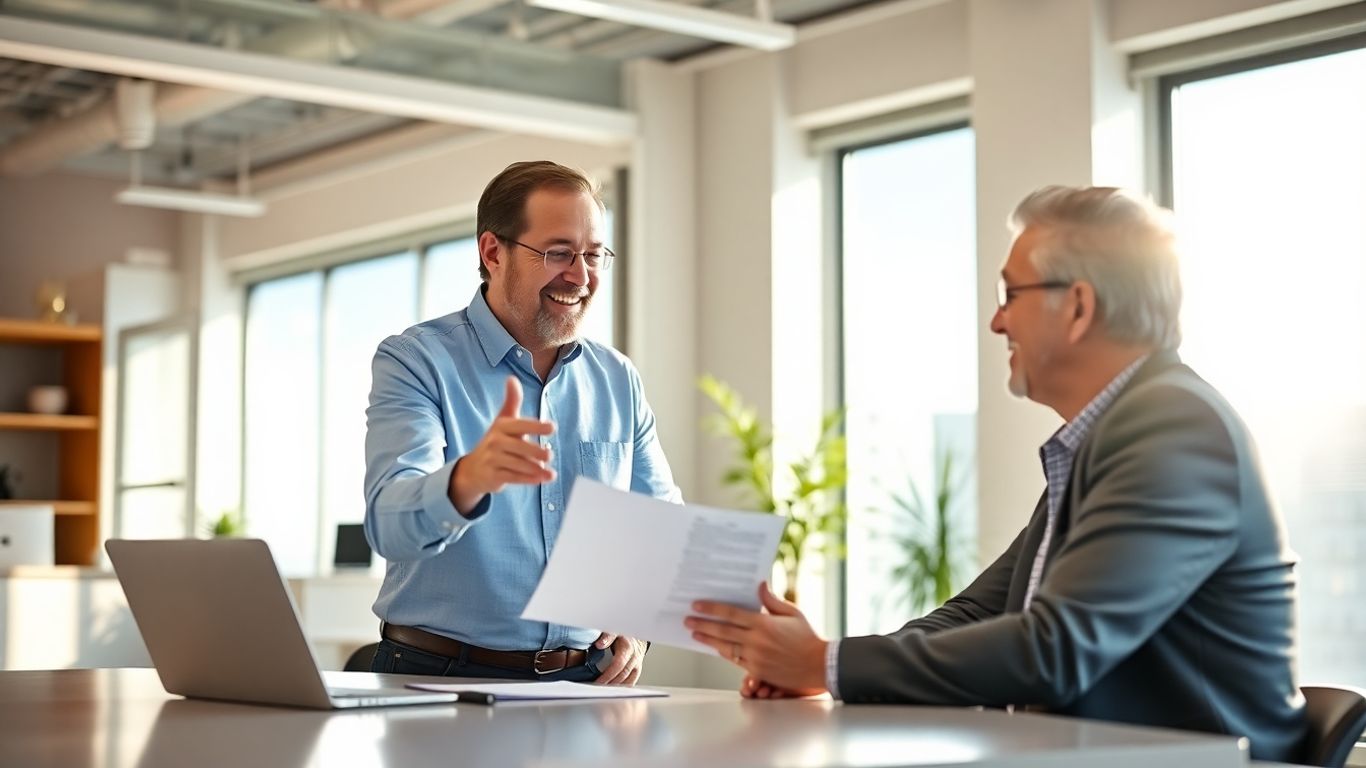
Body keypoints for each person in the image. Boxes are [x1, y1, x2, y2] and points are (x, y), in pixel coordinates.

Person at [686, 186, 1308, 762]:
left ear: (1079, 306)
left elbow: (1055, 648)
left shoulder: (1173, 428)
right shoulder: (1107, 434)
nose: (997, 322)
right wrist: (823, 666)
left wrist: (828, 664)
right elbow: (977, 613)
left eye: (1011, 295)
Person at [364, 160, 681, 685]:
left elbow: (659, 527)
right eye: (559, 253)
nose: (580, 276)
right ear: (493, 252)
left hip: (585, 685)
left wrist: (638, 625)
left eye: (594, 255)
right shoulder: (417, 360)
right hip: (439, 678)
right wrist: (470, 478)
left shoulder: (617, 379)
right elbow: (390, 526)